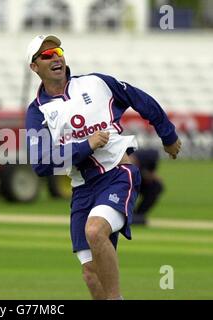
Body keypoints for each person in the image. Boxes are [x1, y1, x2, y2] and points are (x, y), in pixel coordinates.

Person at [25, 35, 182, 300]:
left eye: (58, 51)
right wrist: (86, 145)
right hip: (82, 190)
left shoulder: (96, 83)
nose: (56, 57)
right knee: (90, 274)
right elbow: (40, 164)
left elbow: (139, 99)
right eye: (47, 55)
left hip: (118, 176)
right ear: (34, 67)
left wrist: (167, 135)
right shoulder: (37, 112)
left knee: (95, 230)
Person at [130, 148, 164, 225]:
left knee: (156, 186)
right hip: (128, 183)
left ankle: (138, 215)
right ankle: (130, 215)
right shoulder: (134, 160)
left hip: (138, 182)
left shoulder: (143, 159)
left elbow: (148, 174)